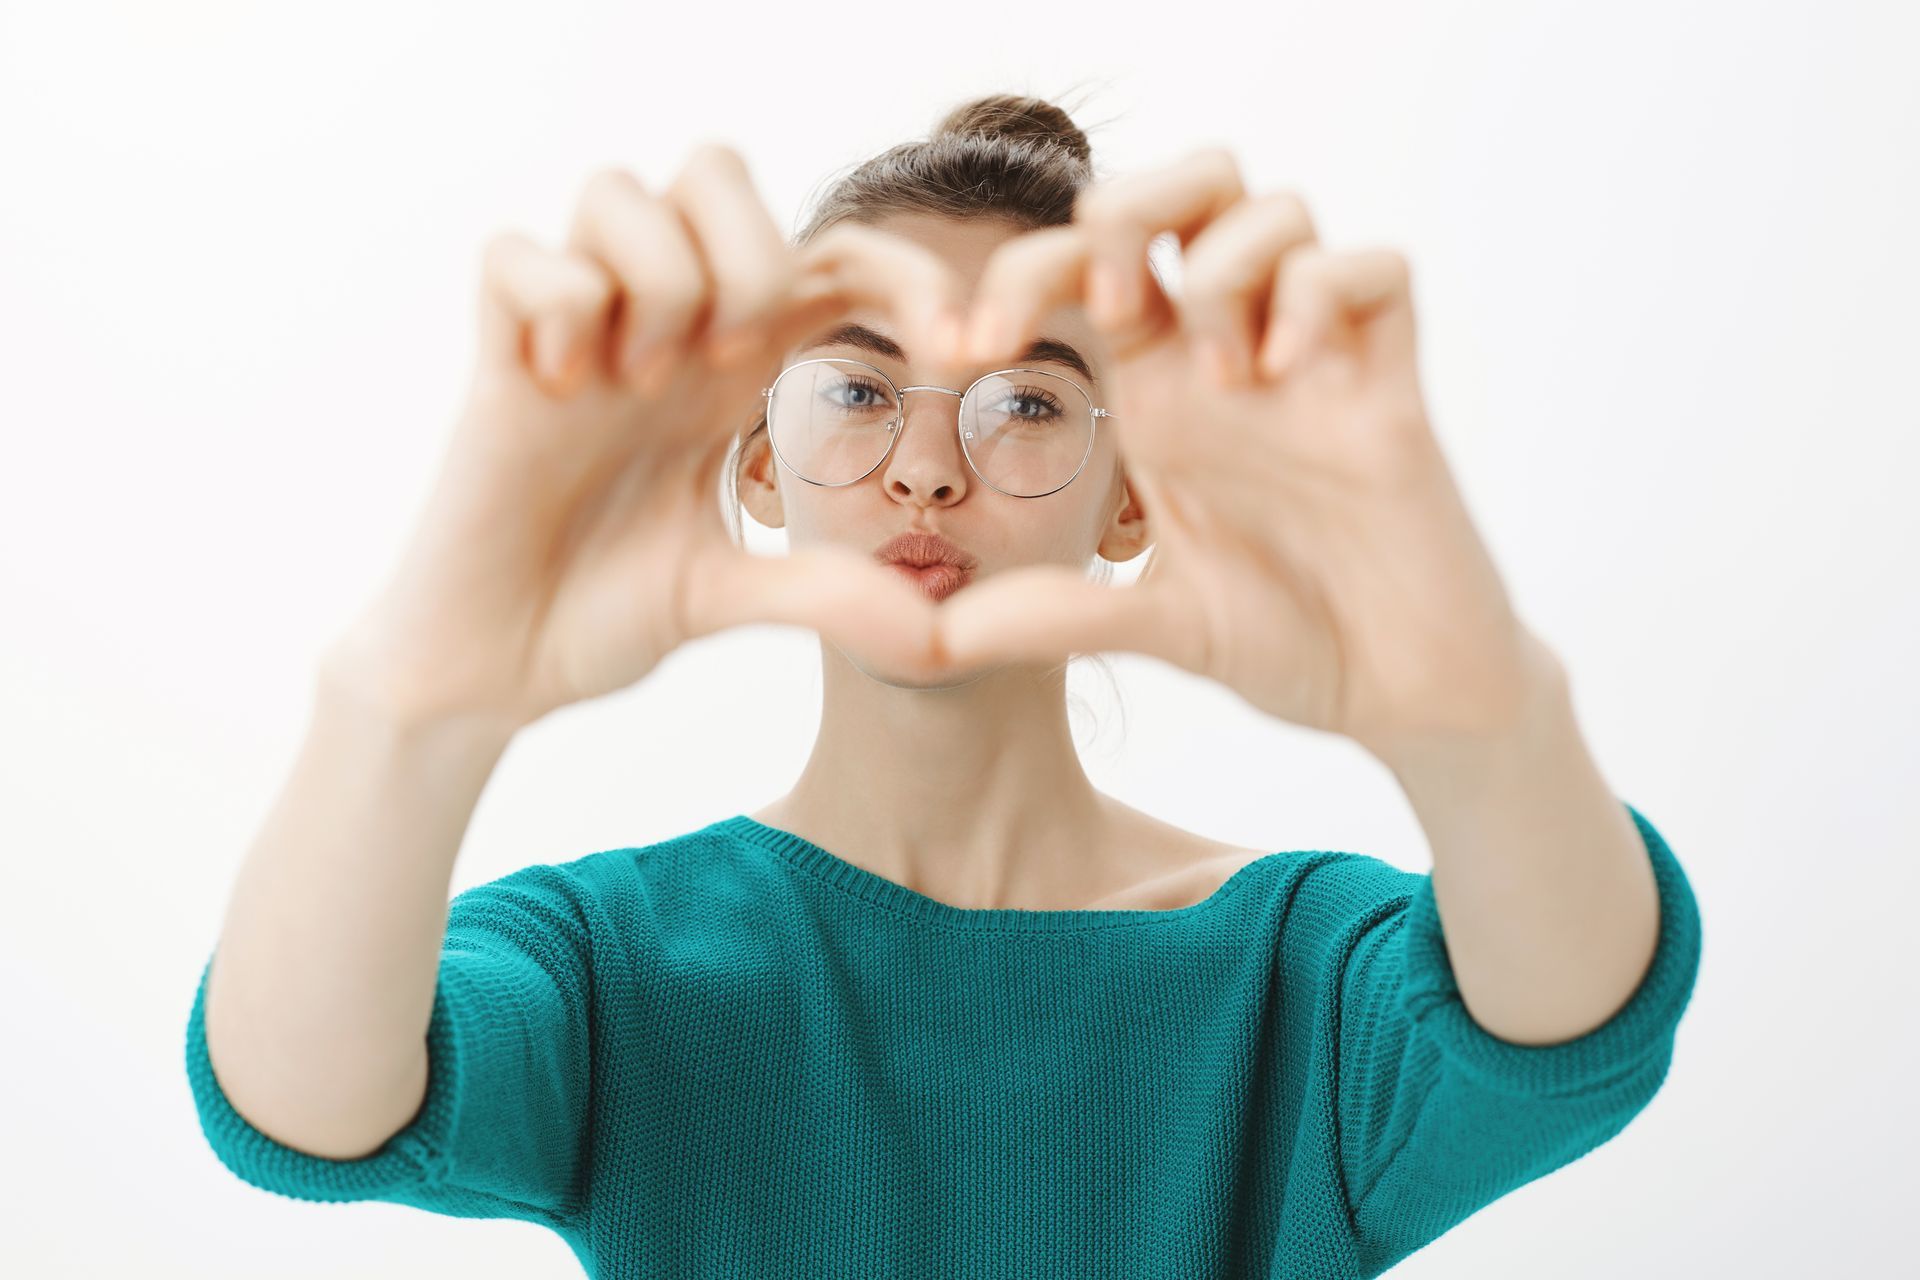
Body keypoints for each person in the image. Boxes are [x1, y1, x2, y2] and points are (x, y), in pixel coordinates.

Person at [184, 93, 1704, 1279]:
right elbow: (305, 1103)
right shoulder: (621, 958)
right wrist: (418, 696)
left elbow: (1571, 1028)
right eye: (860, 388)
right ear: (761, 461)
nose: (928, 464)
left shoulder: (1298, 966)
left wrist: (1476, 709)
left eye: (1026, 402)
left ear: (1132, 491)